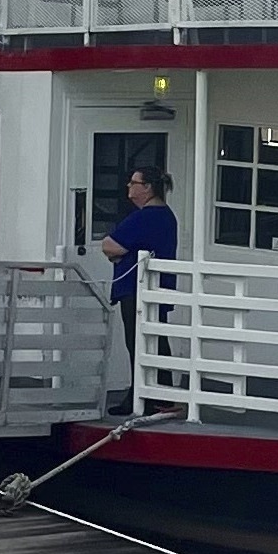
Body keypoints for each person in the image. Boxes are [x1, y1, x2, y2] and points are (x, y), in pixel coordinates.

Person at [99, 166, 177, 410]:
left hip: (137, 290)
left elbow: (110, 246)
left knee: (138, 342)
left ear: (147, 187)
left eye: (134, 183)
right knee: (156, 339)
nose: (129, 187)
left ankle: (140, 397)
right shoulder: (166, 216)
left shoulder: (145, 217)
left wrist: (119, 255)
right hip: (156, 288)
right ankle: (161, 394)